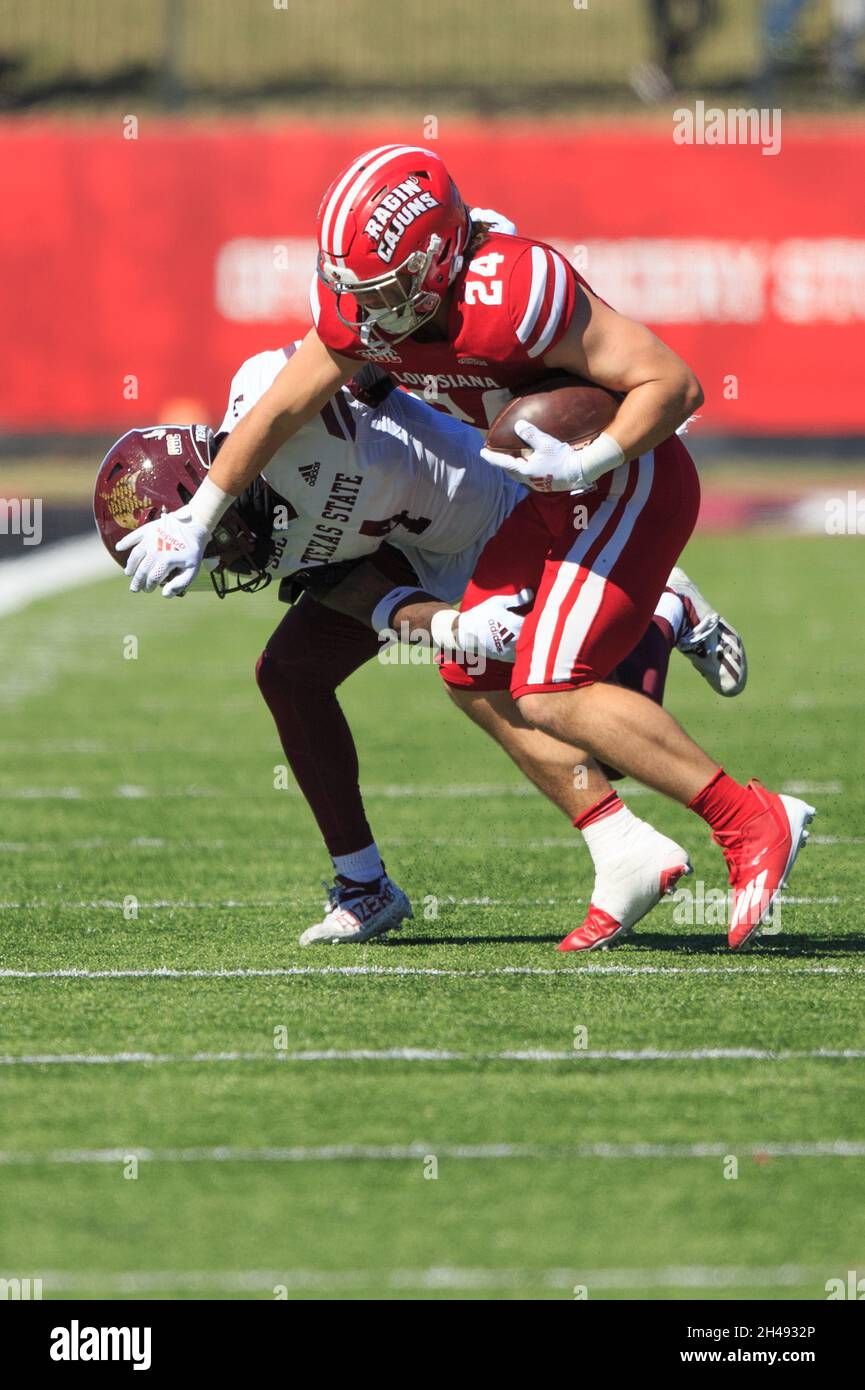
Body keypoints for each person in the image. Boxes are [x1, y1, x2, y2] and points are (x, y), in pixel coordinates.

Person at [114, 145, 812, 951]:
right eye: (357, 294)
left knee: (559, 697)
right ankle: (619, 848)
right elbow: (306, 487)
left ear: (442, 259)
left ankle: (741, 795)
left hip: (584, 484)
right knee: (466, 671)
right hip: (494, 516)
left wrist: (586, 457)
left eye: (389, 291)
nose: (368, 314)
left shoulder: (514, 291)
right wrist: (200, 517)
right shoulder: (345, 340)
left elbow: (674, 385)